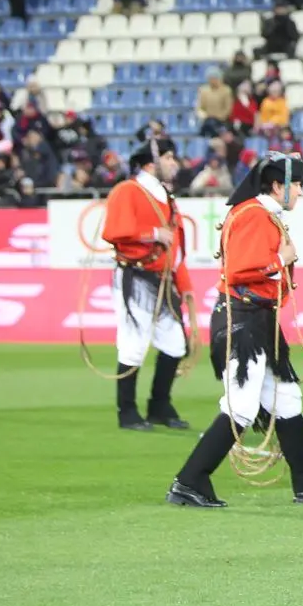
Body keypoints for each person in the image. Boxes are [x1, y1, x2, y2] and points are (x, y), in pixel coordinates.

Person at [166, 154, 303, 508]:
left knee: (286, 399)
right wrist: (281, 259)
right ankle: (190, 480)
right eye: (296, 185)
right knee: (242, 405)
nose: (299, 191)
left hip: (255, 319)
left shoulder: (257, 212)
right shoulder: (254, 214)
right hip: (244, 320)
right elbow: (239, 271)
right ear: (278, 186)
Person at [100, 140, 193, 432]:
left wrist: (184, 284)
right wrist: (152, 233)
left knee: (176, 343)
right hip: (135, 275)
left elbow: (176, 249)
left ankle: (159, 405)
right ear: (151, 163)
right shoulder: (127, 190)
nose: (174, 162)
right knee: (133, 344)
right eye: (168, 156)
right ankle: (127, 410)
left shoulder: (166, 196)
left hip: (163, 278)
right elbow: (113, 231)